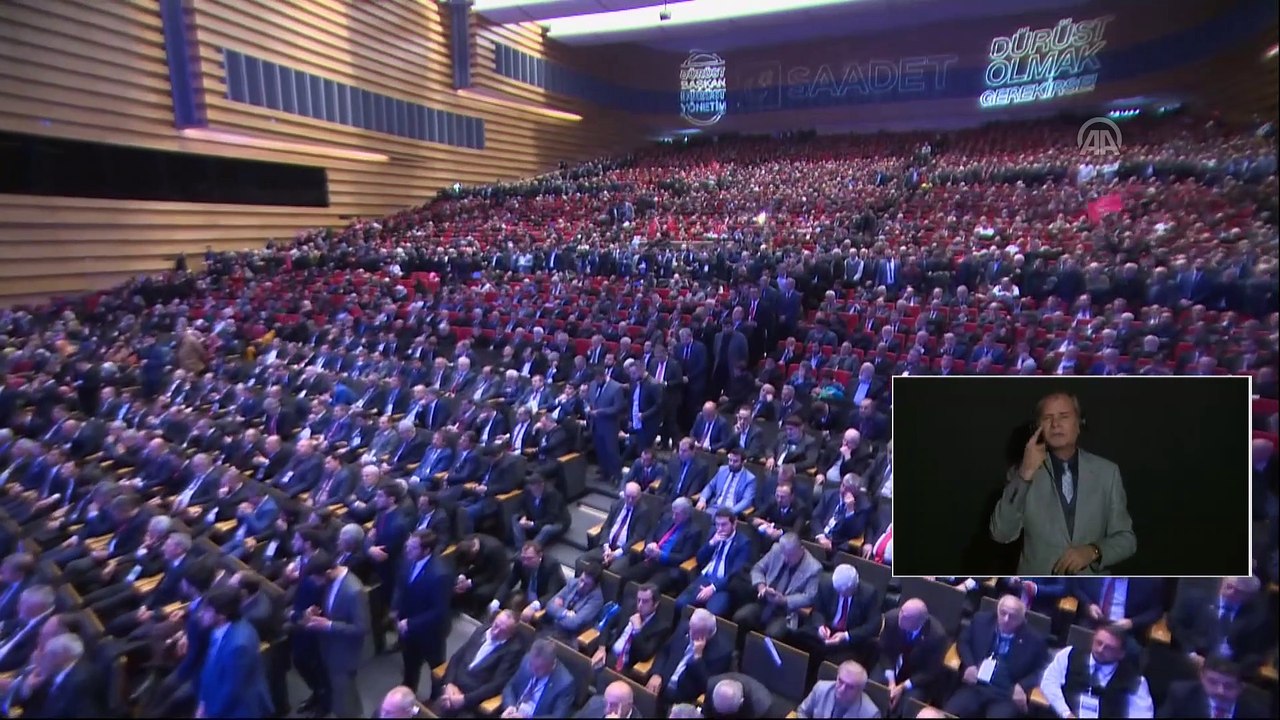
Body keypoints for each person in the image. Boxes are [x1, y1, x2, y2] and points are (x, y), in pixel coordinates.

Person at [990, 392, 1137, 575]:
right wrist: (1025, 474)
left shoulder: (1108, 473)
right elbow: (1001, 533)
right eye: (1048, 418)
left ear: (1079, 424)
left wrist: (1094, 551)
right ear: (1038, 427)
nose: (1056, 424)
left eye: (1064, 416)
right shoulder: (1021, 474)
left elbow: (1127, 539)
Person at [943, 595, 1048, 718]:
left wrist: (1022, 686)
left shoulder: (1034, 640)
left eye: (1012, 616)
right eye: (1003, 613)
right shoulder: (981, 621)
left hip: (1006, 694)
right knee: (949, 714)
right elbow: (963, 641)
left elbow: (1041, 670)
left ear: (1022, 619)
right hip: (976, 686)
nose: (1006, 619)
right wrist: (969, 665)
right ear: (997, 610)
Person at [1038, 624, 1155, 719]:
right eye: (1099, 642)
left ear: (1121, 654)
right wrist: (1065, 713)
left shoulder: (1135, 681)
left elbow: (1142, 715)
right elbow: (1048, 682)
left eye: (1109, 648)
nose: (1100, 649)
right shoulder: (1069, 654)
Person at [195, 586, 274, 719]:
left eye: (207, 610)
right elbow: (210, 666)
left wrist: (210, 713)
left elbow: (232, 691)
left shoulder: (239, 645)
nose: (201, 614)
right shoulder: (218, 629)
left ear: (221, 615)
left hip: (236, 711)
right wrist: (203, 702)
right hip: (214, 695)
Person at [392, 529, 452, 696]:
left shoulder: (440, 574)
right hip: (407, 627)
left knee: (436, 669)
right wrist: (395, 607)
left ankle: (436, 700)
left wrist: (410, 623)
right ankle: (407, 696)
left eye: (412, 548)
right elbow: (400, 585)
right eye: (408, 545)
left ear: (426, 551)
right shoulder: (408, 560)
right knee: (410, 665)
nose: (407, 550)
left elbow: (439, 611)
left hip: (430, 632)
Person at [434, 610, 525, 718]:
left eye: (502, 631)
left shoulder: (513, 651)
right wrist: (449, 684)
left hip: (473, 699)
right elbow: (457, 657)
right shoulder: (482, 630)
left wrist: (464, 699)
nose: (495, 632)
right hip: (452, 686)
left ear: (510, 635)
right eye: (496, 626)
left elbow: (496, 685)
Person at [733, 533, 821, 638]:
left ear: (801, 549)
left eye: (790, 555)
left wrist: (784, 600)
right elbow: (758, 568)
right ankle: (739, 651)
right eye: (784, 554)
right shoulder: (776, 549)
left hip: (786, 612)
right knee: (740, 617)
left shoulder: (814, 568)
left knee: (773, 634)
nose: (786, 559)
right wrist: (761, 586)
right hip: (764, 602)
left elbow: (809, 597)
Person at [647, 608, 733, 705]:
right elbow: (665, 651)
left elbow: (707, 685)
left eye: (695, 631)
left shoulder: (722, 652)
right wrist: (657, 673)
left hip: (683, 698)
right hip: (662, 683)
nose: (690, 633)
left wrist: (697, 658)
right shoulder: (684, 627)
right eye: (690, 628)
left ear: (707, 634)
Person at [590, 582, 671, 672]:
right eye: (638, 600)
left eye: (645, 601)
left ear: (655, 604)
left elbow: (644, 655)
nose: (640, 605)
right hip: (609, 653)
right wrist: (602, 648)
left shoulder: (661, 627)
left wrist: (637, 630)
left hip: (628, 666)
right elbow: (608, 624)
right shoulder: (630, 608)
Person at [1157, 655, 1271, 718]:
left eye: (1229, 686)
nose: (1220, 691)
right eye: (1212, 682)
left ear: (1241, 687)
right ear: (1201, 677)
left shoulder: (1257, 709)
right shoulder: (1181, 694)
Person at [499, 638, 576, 718]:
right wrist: (510, 705)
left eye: (538, 669)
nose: (532, 670)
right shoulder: (527, 660)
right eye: (531, 665)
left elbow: (558, 717)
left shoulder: (565, 684)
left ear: (552, 665)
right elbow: (510, 686)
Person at [796, 660, 881, 718]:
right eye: (840, 681)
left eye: (850, 687)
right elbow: (802, 711)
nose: (842, 689)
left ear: (860, 689)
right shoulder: (821, 688)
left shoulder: (871, 714)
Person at [574, 680, 638, 719]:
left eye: (613, 705)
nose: (607, 709)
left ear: (629, 705)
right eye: (605, 702)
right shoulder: (595, 702)